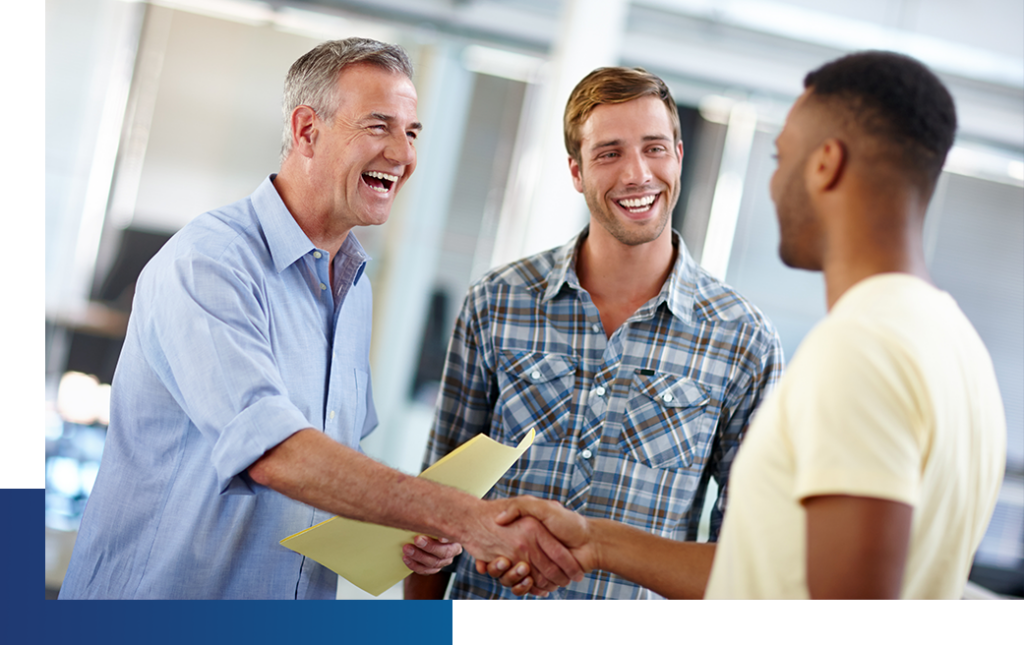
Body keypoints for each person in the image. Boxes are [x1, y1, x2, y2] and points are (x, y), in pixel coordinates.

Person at [58, 38, 582, 600]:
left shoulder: (351, 285)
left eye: (411, 133)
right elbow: (275, 452)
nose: (402, 154)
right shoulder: (210, 263)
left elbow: (329, 465)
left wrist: (410, 527)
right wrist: (459, 516)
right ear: (307, 130)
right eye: (378, 126)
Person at [484, 50, 1007, 600]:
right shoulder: (956, 346)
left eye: (781, 158)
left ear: (826, 164)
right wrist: (596, 542)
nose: (774, 184)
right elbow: (769, 574)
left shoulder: (862, 351)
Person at [406, 66, 784, 600]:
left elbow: (748, 557)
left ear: (678, 154)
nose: (637, 174)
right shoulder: (497, 301)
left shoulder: (744, 340)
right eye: (609, 153)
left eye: (654, 148)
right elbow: (437, 505)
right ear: (576, 172)